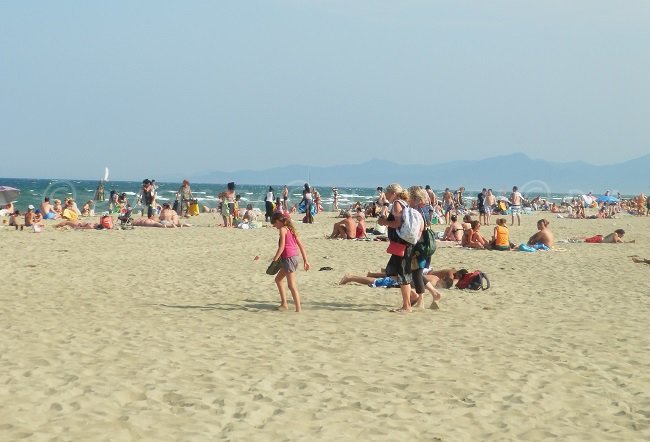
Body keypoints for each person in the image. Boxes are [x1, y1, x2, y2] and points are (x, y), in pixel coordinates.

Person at [377, 183, 414, 313]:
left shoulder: (398, 203)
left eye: (387, 193)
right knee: (392, 271)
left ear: (392, 192)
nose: (386, 196)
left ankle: (407, 306)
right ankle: (411, 297)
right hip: (402, 243)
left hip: (401, 243)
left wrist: (384, 223)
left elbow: (398, 223)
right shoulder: (403, 203)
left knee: (402, 274)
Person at [270, 212, 310, 312]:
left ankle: (298, 309)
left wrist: (275, 258)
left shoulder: (283, 229)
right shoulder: (291, 230)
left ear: (278, 221)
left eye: (274, 223)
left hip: (289, 259)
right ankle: (284, 304)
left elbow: (282, 246)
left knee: (291, 285)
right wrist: (306, 261)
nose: (274, 226)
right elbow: (301, 246)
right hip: (293, 258)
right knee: (278, 280)